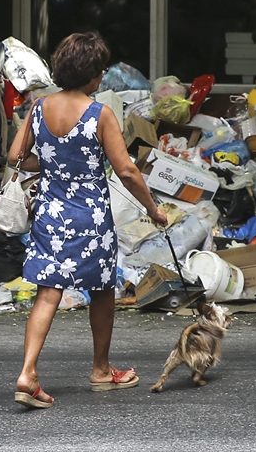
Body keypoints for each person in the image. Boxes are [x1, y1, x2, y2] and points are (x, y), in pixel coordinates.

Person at [12, 32, 168, 408]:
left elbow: (16, 155)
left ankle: (27, 373)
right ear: (92, 75)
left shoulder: (39, 107)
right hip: (89, 216)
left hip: (49, 212)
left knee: (48, 293)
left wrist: (52, 163)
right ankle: (101, 370)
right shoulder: (100, 114)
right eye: (100, 70)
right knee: (101, 290)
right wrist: (153, 209)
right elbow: (127, 171)